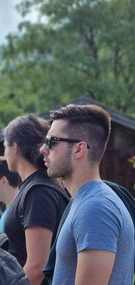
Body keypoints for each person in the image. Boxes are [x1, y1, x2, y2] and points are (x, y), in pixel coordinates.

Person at [40, 104, 134, 284]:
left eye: (51, 141)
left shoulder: (96, 208)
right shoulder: (87, 201)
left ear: (79, 149)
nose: (42, 149)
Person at [3, 114, 69, 285]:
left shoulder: (39, 192)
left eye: (5, 146)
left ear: (14, 146)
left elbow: (37, 267)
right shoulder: (34, 187)